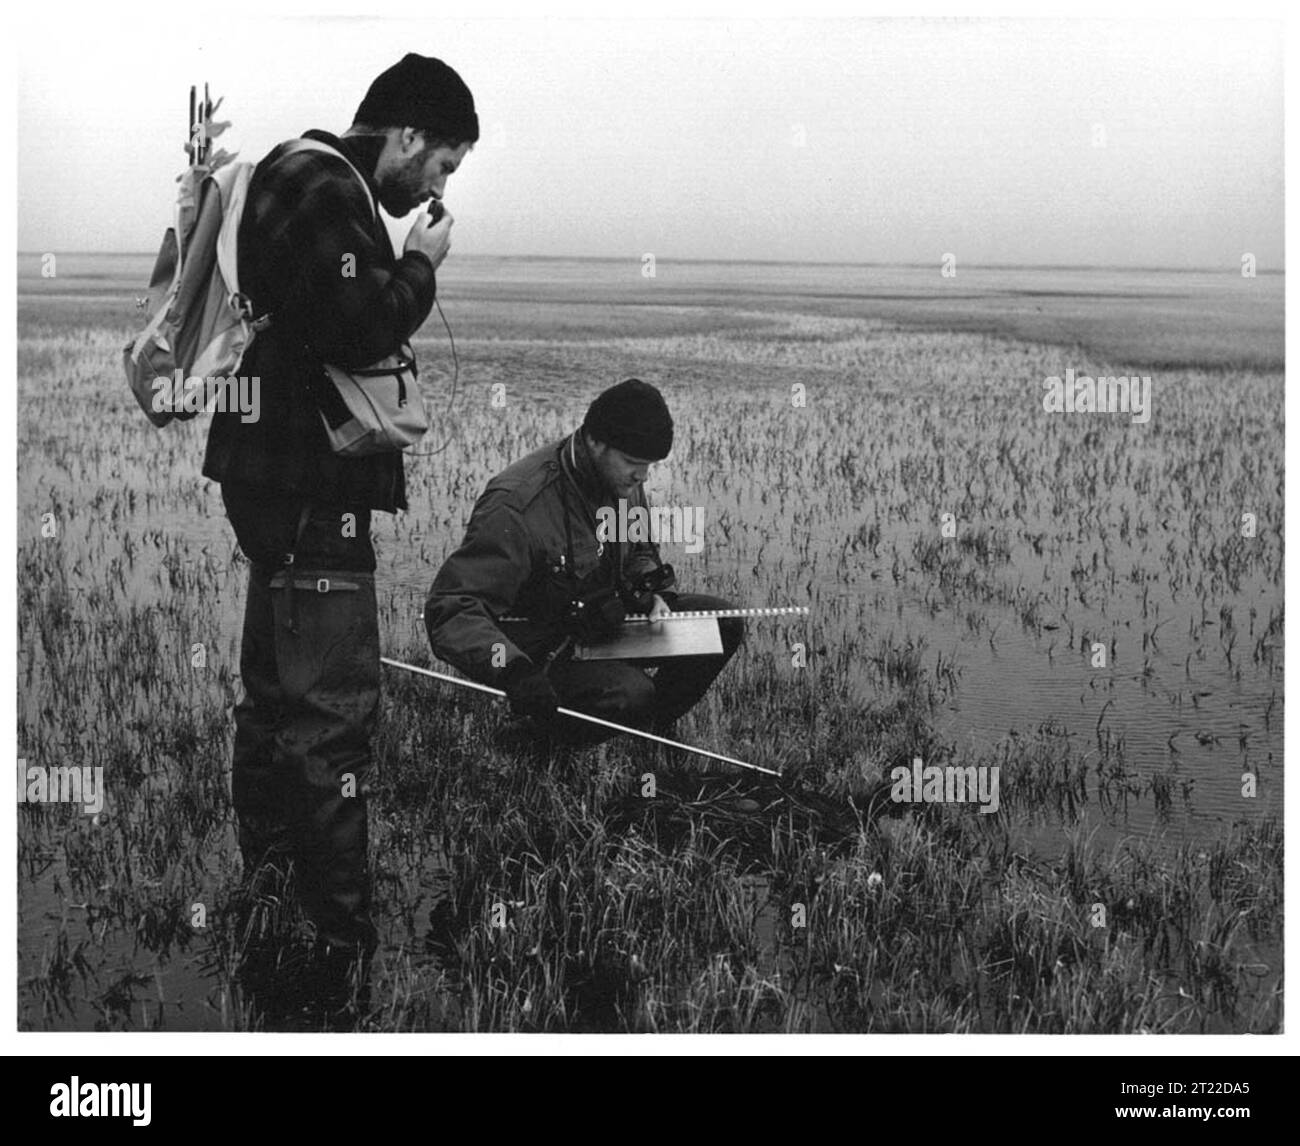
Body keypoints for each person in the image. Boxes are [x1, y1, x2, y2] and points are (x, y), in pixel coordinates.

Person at [202, 54, 478, 980]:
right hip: (312, 493)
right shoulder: (326, 183)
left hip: (274, 485)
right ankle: (339, 947)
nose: (435, 187)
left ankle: (272, 895)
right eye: (441, 163)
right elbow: (358, 325)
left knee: (275, 704)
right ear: (404, 135)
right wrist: (419, 266)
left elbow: (321, 320)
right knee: (333, 723)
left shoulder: (297, 174)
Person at [424, 380, 743, 749]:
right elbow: (452, 610)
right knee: (628, 694)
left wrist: (654, 593)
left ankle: (648, 728)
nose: (643, 477)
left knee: (721, 623)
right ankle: (529, 744)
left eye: (649, 466)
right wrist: (514, 670)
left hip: (605, 627)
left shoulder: (623, 480)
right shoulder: (516, 505)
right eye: (633, 463)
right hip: (542, 651)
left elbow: (641, 552)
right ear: (594, 442)